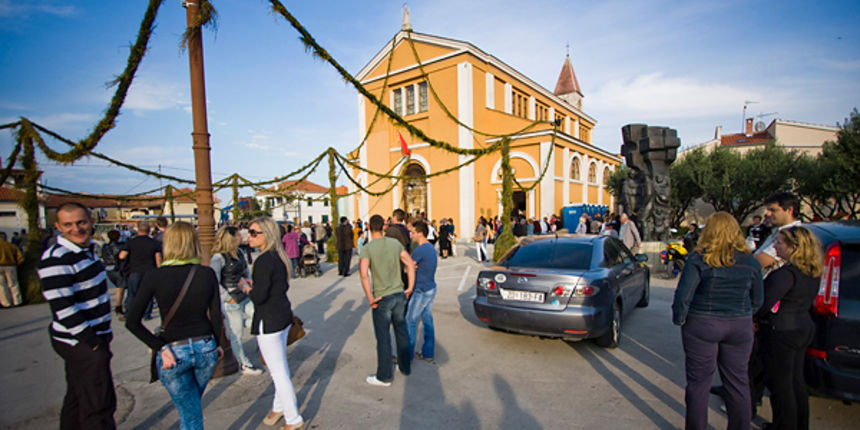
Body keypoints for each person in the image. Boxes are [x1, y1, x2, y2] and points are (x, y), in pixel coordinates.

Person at [125, 221, 224, 430]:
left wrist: (158, 346)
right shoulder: (206, 273)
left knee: (190, 411)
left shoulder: (155, 276)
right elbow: (216, 314)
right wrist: (217, 343)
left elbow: (132, 321)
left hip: (173, 349)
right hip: (205, 345)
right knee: (191, 406)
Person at [672, 212, 763, 430]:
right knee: (738, 383)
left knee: (698, 384)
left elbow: (683, 296)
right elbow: (758, 299)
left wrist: (680, 319)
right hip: (739, 324)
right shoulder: (750, 261)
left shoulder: (698, 259)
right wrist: (744, 314)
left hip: (703, 322)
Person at [38, 202, 116, 429]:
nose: (76, 229)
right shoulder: (56, 258)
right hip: (81, 340)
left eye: (81, 222)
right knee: (98, 403)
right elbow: (63, 309)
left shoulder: (89, 250)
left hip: (89, 337)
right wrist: (93, 344)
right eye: (68, 224)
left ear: (91, 221)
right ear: (58, 227)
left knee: (77, 395)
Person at [241, 217, 304, 429]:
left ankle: (293, 419)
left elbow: (259, 296)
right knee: (280, 368)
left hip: (269, 321)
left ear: (266, 235)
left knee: (278, 373)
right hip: (282, 317)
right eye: (249, 232)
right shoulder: (278, 257)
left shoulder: (263, 261)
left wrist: (245, 288)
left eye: (253, 232)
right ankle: (280, 407)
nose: (249, 236)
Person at [758, 226, 822, 430]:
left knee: (781, 383)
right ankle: (799, 424)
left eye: (780, 243)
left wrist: (756, 318)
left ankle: (785, 425)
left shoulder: (786, 274)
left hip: (783, 330)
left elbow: (764, 303)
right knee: (796, 380)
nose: (776, 246)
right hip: (803, 326)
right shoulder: (811, 272)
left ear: (794, 247)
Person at [359, 214, 416, 386]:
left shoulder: (367, 249)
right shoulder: (394, 243)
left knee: (383, 337)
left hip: (382, 297)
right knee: (401, 331)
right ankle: (404, 367)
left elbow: (363, 276)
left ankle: (384, 376)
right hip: (399, 294)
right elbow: (410, 263)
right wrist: (410, 287)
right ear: (384, 227)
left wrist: (370, 298)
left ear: (369, 227)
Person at [210, 226, 264, 376]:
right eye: (238, 235)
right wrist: (227, 298)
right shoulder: (218, 258)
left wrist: (249, 283)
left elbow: (246, 270)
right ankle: (243, 363)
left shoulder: (239, 252)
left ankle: (254, 340)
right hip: (232, 299)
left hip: (244, 295)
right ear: (231, 238)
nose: (242, 237)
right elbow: (214, 280)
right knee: (236, 334)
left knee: (258, 318)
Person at [406, 221, 438, 363]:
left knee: (410, 320)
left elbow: (408, 268)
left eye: (412, 232)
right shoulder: (430, 248)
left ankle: (407, 356)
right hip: (430, 287)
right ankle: (428, 353)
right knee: (427, 321)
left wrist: (407, 267)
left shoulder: (419, 250)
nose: (410, 234)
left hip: (421, 289)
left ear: (420, 233)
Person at [119, 222, 162, 320]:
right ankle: (147, 314)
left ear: (138, 230)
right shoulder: (154, 243)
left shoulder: (131, 242)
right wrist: (159, 271)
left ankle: (129, 314)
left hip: (135, 270)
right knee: (149, 295)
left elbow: (122, 256)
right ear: (149, 230)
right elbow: (158, 258)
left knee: (132, 294)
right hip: (150, 271)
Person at [100, 230, 126, 319]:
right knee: (120, 288)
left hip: (108, 268)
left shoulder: (105, 246)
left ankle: (118, 306)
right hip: (118, 269)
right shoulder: (120, 247)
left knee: (118, 287)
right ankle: (118, 306)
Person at [0, 231, 24, 307]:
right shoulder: (11, 246)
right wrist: (17, 263)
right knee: (13, 284)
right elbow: (20, 257)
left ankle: (6, 303)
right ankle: (17, 301)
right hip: (11, 266)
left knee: (2, 285)